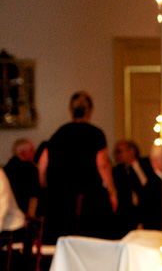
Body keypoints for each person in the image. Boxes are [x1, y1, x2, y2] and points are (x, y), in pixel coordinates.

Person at [38, 91, 116, 243]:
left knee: (63, 240)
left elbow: (42, 163)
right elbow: (102, 165)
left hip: (61, 196)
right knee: (91, 240)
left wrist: (45, 185)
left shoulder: (59, 133)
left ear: (71, 110)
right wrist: (112, 192)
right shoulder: (96, 134)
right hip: (89, 198)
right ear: (91, 111)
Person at [111, 140, 162, 234]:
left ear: (132, 151)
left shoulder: (148, 163)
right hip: (130, 213)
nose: (117, 155)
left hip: (154, 208)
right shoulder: (117, 172)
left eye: (120, 151)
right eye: (116, 152)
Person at [4, 138, 39, 217]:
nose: (34, 152)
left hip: (9, 212)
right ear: (23, 153)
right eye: (32, 150)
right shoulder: (31, 169)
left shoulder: (6, 168)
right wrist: (31, 217)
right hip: (24, 213)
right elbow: (33, 196)